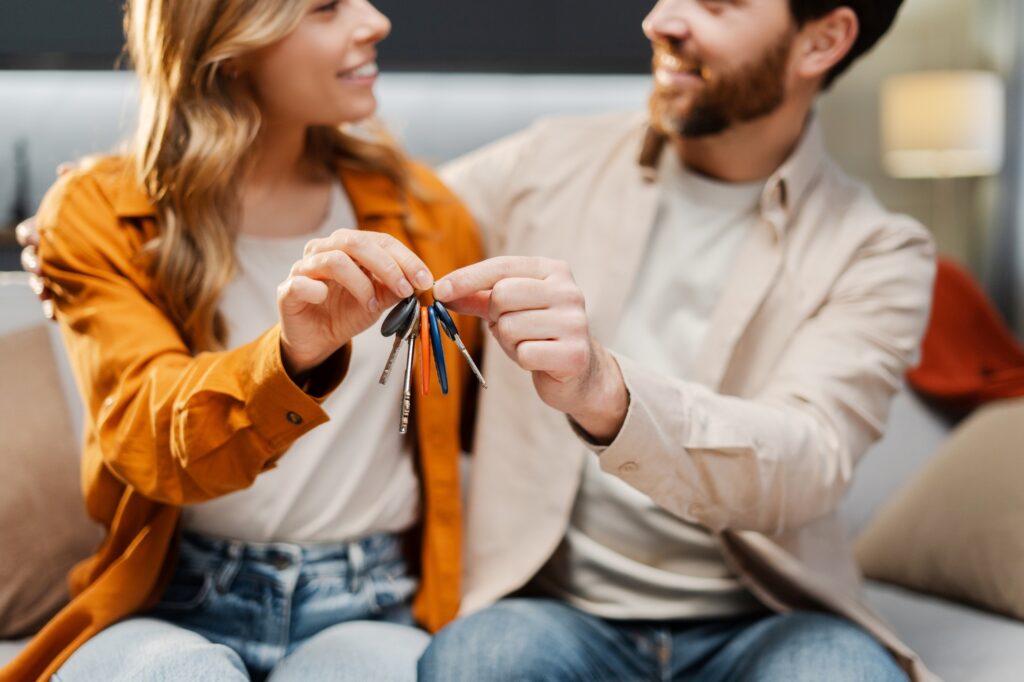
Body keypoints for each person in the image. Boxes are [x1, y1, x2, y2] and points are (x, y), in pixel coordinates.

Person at [415, 0, 937, 680]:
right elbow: (400, 212)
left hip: (767, 622)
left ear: (824, 40)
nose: (659, 20)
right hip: (552, 613)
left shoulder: (878, 251)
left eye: (715, 3)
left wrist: (608, 392)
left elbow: (810, 458)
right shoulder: (544, 162)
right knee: (478, 661)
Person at [4, 0, 482, 680]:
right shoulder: (99, 212)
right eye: (326, 8)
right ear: (227, 43)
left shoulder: (426, 211)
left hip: (367, 603)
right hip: (174, 596)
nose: (375, 21)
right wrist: (290, 360)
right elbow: (145, 436)